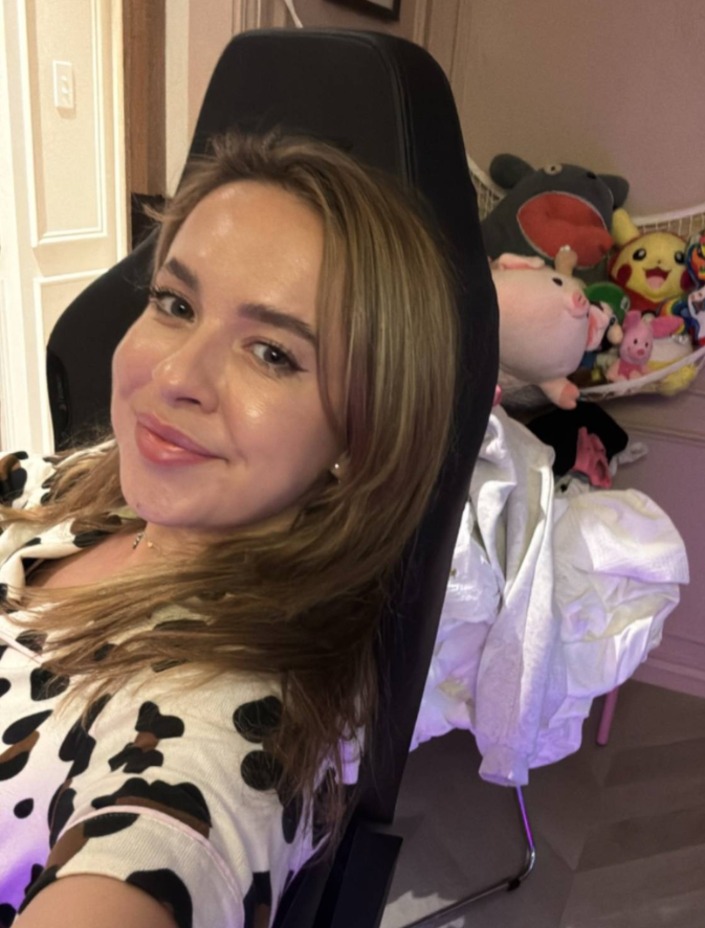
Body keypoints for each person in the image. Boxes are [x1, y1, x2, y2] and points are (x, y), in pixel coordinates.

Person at [0, 130, 458, 928]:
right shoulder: (99, 489)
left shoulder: (231, 719)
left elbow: (159, 848)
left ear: (361, 431)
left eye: (272, 353)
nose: (174, 375)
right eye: (175, 305)